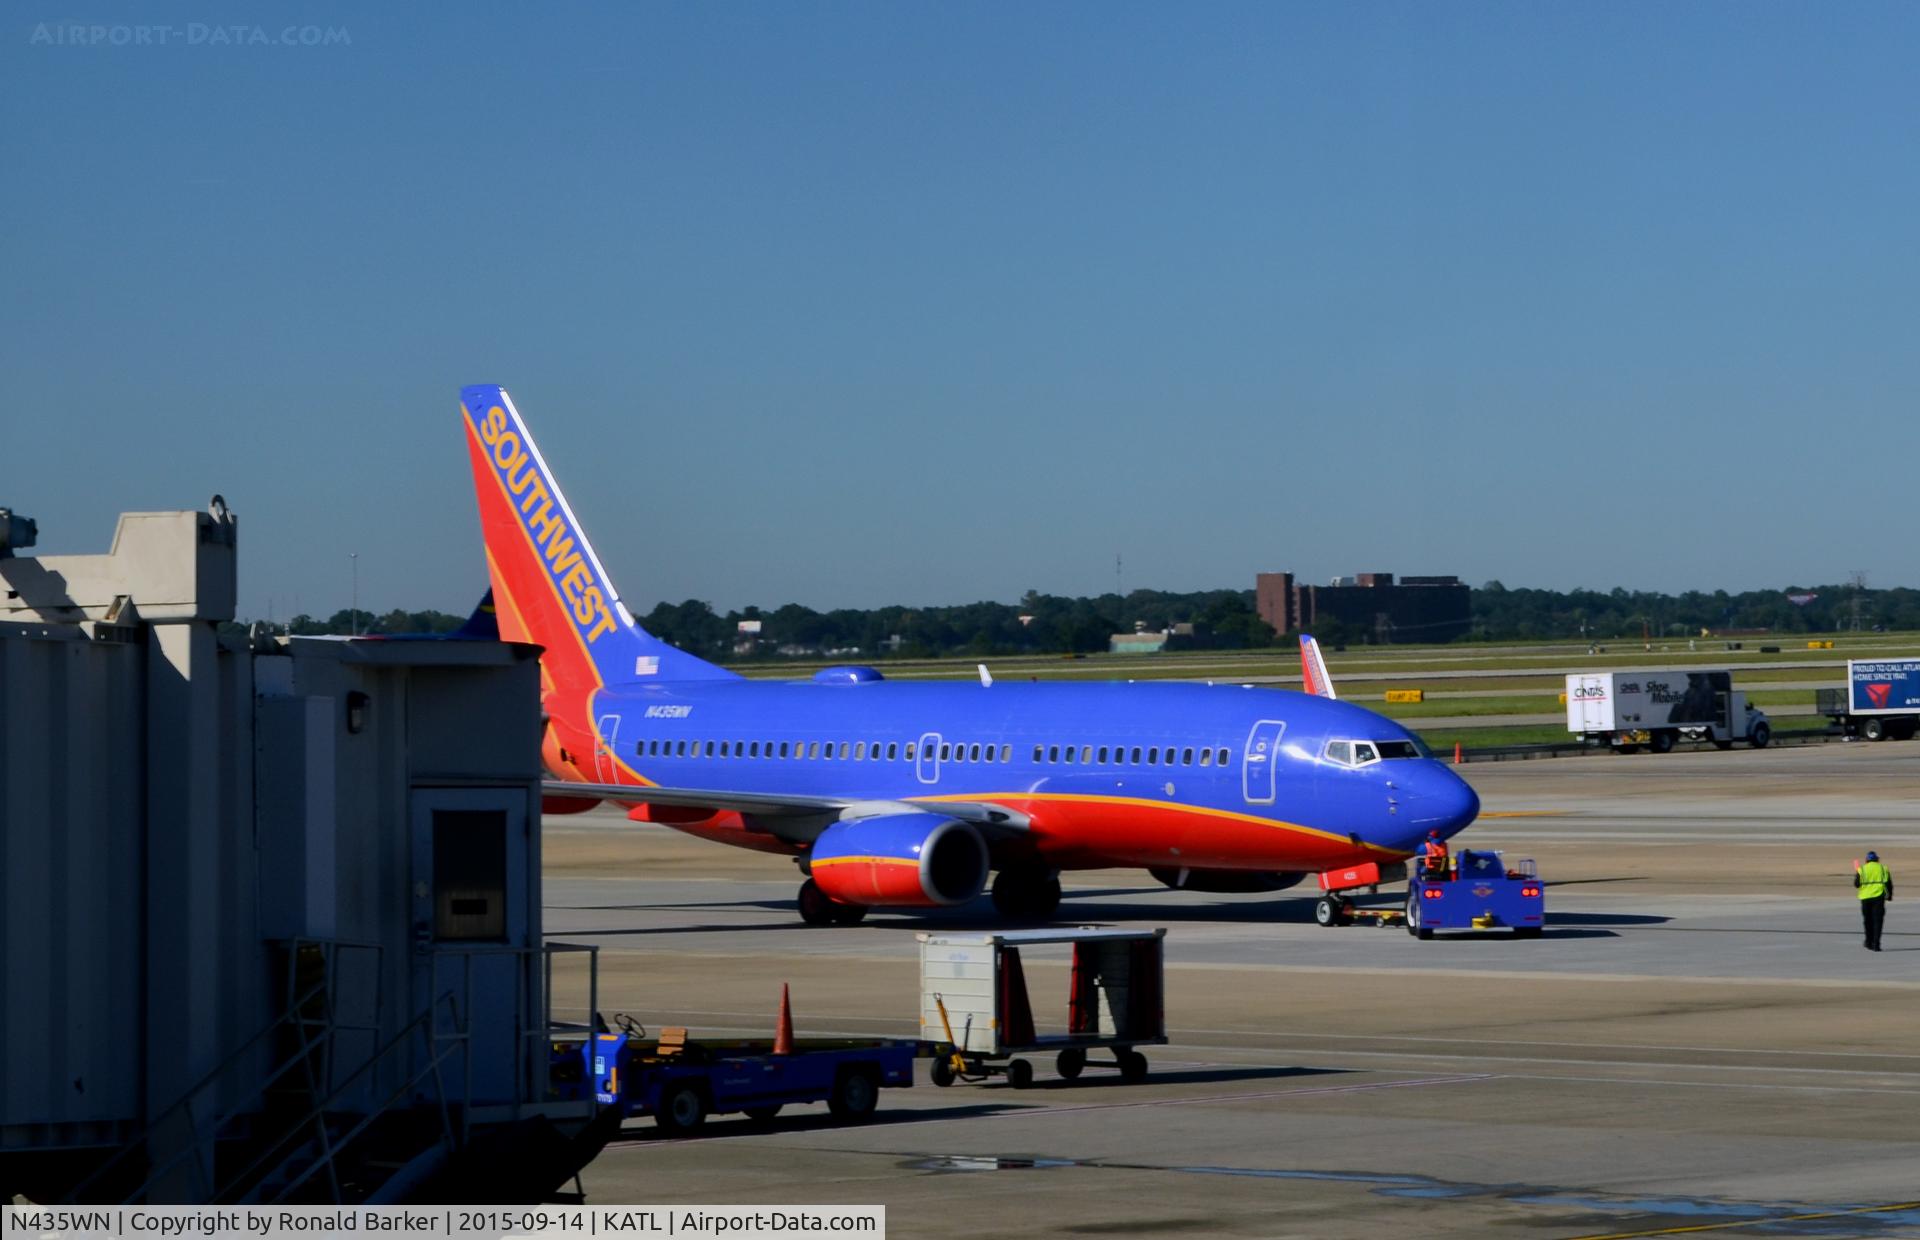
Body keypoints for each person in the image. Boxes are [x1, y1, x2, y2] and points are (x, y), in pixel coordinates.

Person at [1855, 851, 1893, 952]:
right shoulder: (1883, 868)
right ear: (1877, 859)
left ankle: (1868, 942)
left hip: (1865, 898)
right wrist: (1889, 896)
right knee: (1878, 922)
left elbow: (1857, 884)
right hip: (1878, 898)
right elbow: (1889, 884)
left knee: (1867, 921)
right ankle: (1876, 944)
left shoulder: (1862, 869)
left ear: (1867, 860)